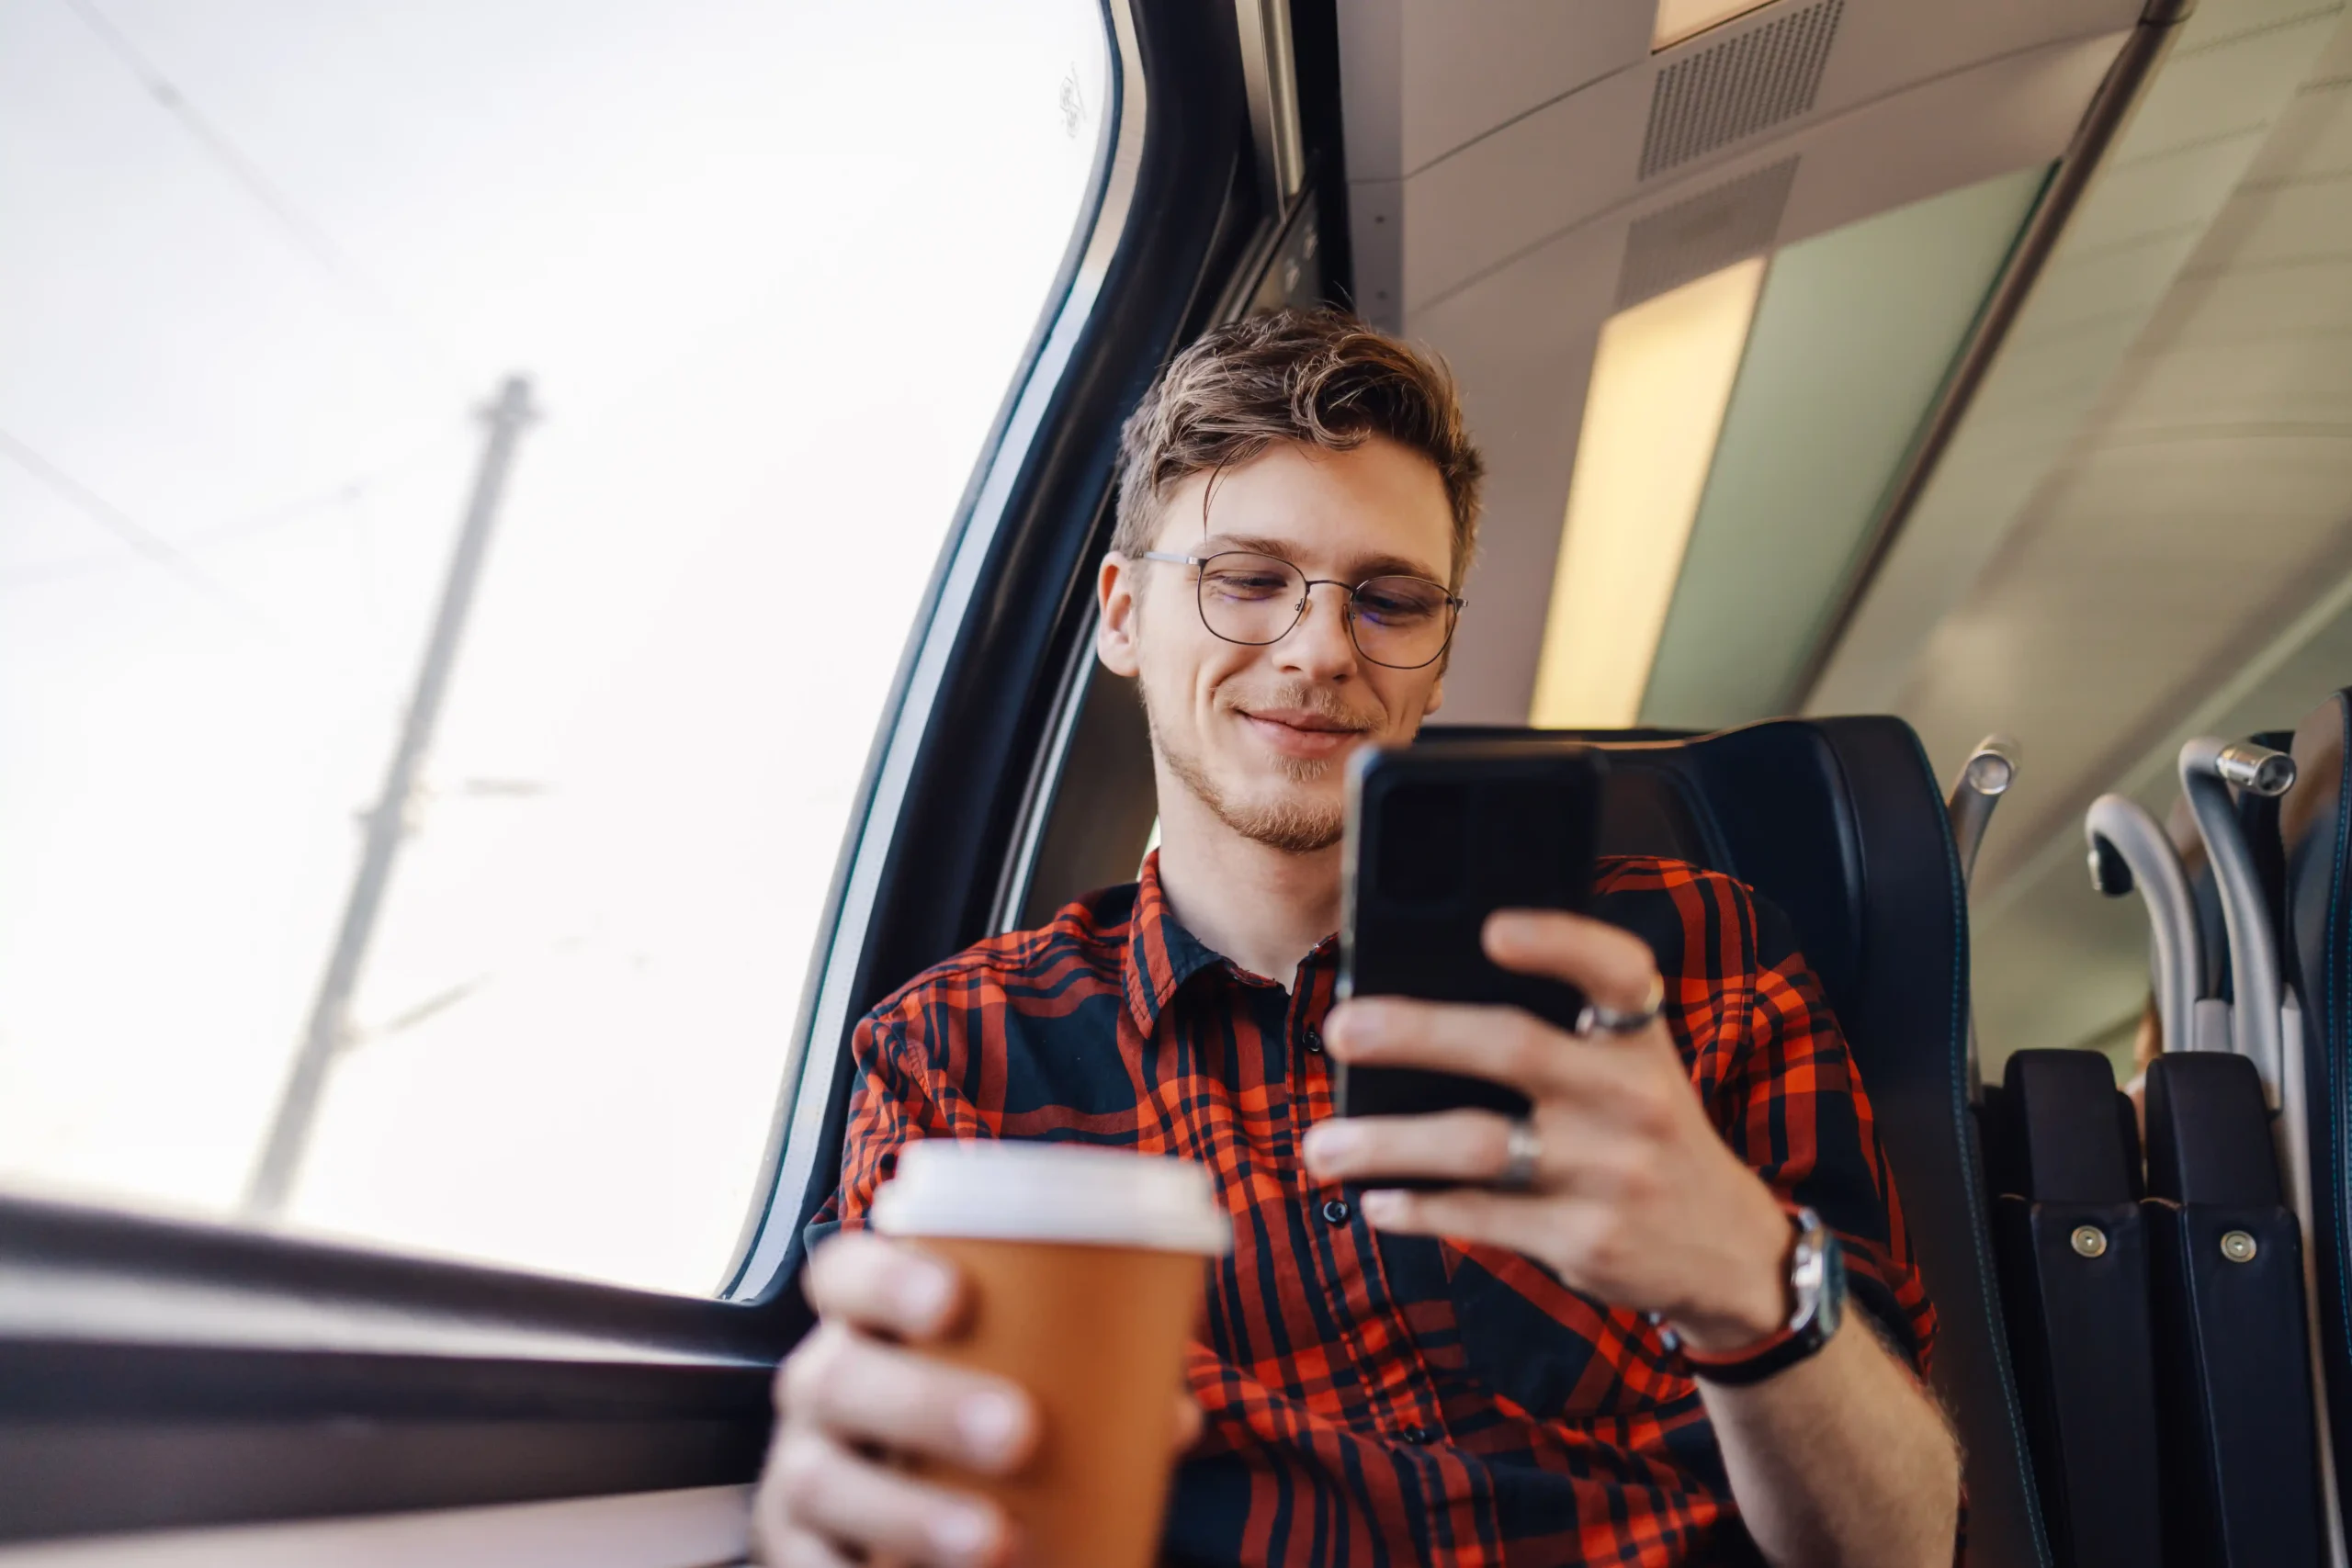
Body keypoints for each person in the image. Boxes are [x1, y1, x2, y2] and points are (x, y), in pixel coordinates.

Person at [752, 309, 1962, 1566]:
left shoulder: (1692, 956)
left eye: (1389, 600)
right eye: (1246, 579)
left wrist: (1750, 1283)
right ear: (1122, 616)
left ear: (1438, 660)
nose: (1324, 647)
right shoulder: (957, 1054)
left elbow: (1908, 1542)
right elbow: (902, 1486)